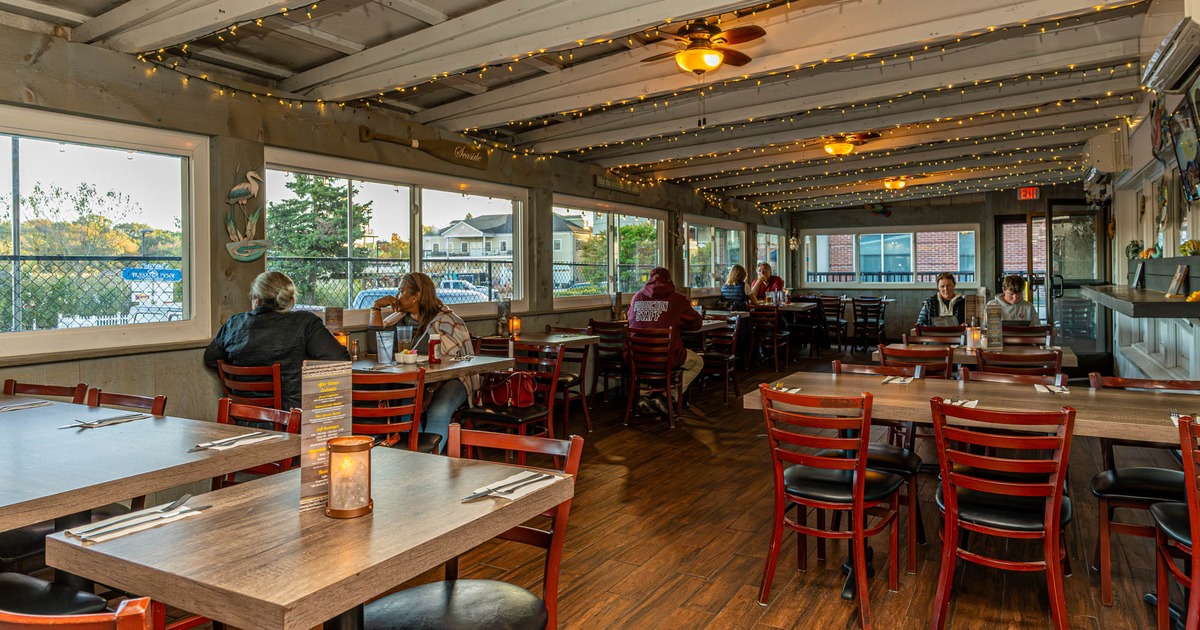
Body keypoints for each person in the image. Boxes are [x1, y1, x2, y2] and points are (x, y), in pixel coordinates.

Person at [204, 271, 350, 411]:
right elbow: (339, 359)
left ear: (257, 298)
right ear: (289, 299)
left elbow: (210, 359)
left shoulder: (234, 324)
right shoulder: (305, 322)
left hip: (242, 416)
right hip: (292, 419)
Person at [372, 272, 475, 452]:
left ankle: (428, 464)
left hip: (451, 380)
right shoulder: (399, 321)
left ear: (416, 296)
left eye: (401, 291)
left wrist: (431, 383)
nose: (396, 297)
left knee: (439, 410)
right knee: (407, 410)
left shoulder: (446, 320)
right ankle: (416, 463)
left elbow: (456, 362)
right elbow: (376, 346)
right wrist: (375, 308)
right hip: (416, 381)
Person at [627, 267, 703, 415]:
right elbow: (696, 323)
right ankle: (667, 396)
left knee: (647, 361)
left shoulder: (636, 297)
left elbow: (630, 320)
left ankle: (643, 396)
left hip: (638, 358)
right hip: (667, 358)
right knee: (698, 362)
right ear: (669, 280)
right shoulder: (677, 299)